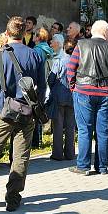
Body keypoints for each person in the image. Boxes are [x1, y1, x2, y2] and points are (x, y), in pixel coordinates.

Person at [0, 16, 47, 211]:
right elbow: (42, 86)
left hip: (4, 110)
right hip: (27, 111)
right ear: (25, 33)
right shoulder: (36, 55)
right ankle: (13, 198)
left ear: (7, 31)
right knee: (20, 155)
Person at [67, 20, 108, 176]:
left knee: (84, 130)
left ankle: (83, 166)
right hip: (106, 93)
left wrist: (73, 87)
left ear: (93, 31)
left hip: (83, 91)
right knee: (103, 131)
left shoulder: (81, 45)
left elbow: (70, 69)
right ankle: (102, 167)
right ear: (106, 33)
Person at [48, 33, 75, 161]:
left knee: (58, 126)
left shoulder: (58, 61)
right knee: (70, 126)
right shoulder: (73, 60)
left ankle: (57, 154)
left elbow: (51, 79)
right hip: (72, 96)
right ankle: (70, 154)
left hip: (58, 96)